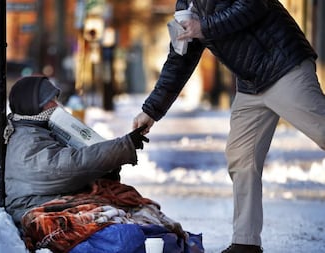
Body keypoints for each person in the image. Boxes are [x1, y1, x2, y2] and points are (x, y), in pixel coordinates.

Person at [132, 1, 325, 253]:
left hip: (283, 68)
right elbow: (180, 58)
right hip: (250, 84)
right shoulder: (186, 4)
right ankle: (246, 242)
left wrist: (204, 26)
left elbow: (254, 5)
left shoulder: (199, 16)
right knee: (241, 158)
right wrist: (151, 110)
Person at [3, 75, 149, 226]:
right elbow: (69, 166)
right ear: (33, 105)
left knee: (128, 199)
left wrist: (107, 169)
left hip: (48, 200)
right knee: (121, 229)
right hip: (32, 208)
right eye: (50, 101)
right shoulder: (27, 139)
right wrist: (123, 146)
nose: (56, 105)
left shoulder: (36, 129)